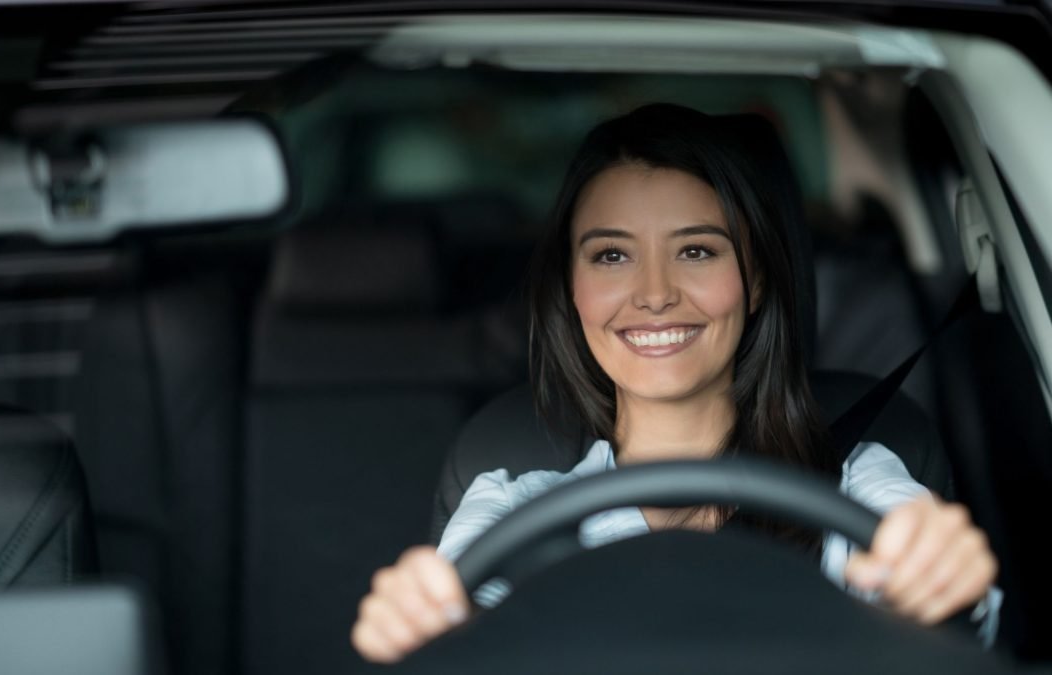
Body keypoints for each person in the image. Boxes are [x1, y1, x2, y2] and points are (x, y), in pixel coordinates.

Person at [350, 103, 1001, 664]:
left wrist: (940, 580)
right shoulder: (511, 507)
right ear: (570, 290)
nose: (655, 294)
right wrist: (425, 628)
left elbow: (935, 596)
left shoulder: (858, 482)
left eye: (696, 251)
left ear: (757, 280)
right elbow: (454, 639)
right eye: (612, 255)